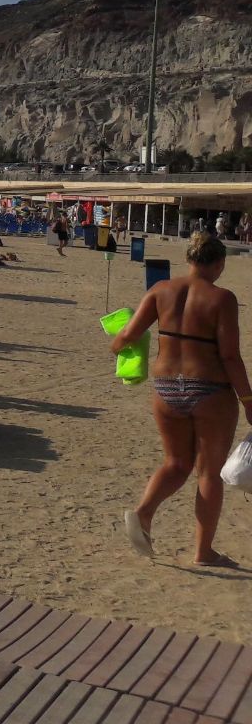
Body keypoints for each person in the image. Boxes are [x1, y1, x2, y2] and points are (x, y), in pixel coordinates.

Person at [111, 232, 252, 568]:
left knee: (176, 463)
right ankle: (203, 552)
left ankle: (143, 512)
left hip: (166, 389)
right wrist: (248, 399)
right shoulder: (222, 298)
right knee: (208, 473)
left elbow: (126, 336)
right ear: (218, 264)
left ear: (189, 260)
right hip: (210, 391)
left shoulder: (161, 290)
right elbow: (230, 356)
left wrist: (117, 347)